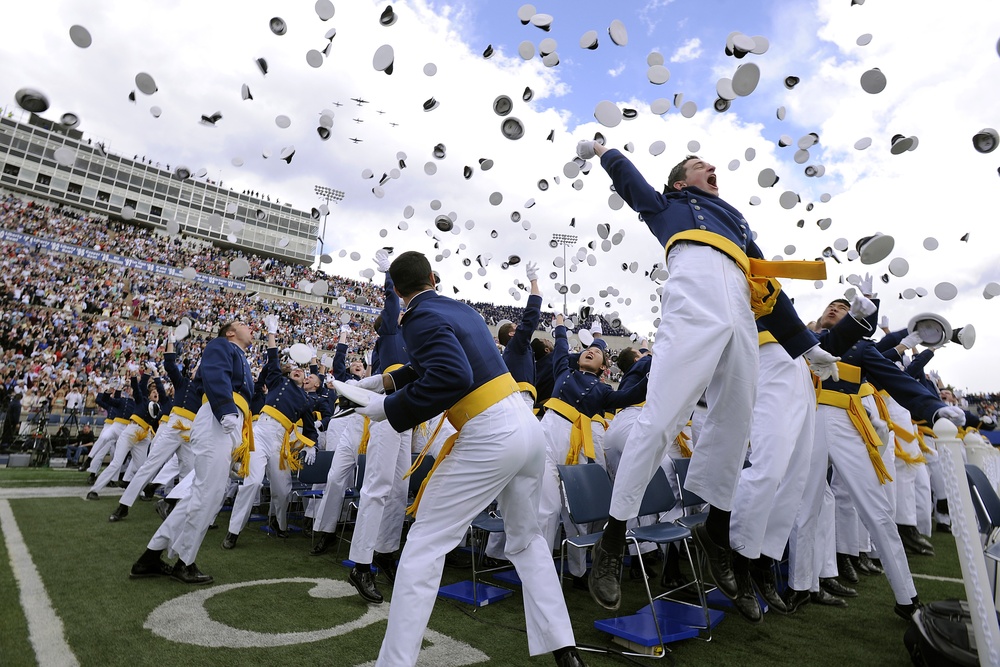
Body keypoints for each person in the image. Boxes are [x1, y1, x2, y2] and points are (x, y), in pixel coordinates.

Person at [579, 141, 841, 612]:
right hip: (693, 298)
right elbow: (630, 180)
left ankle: (716, 530)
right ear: (681, 183)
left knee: (735, 424)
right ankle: (612, 542)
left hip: (740, 310)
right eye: (700, 166)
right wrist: (606, 151)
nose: (712, 168)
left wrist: (807, 346)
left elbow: (768, 287)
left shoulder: (738, 222)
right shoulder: (667, 205)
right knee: (659, 421)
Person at [350, 251, 584, 667]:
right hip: (525, 428)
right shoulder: (463, 310)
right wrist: (385, 380)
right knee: (527, 541)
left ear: (400, 293)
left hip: (490, 431)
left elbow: (451, 375)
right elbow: (441, 365)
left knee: (424, 544)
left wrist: (388, 408)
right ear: (433, 277)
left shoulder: (416, 317)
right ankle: (565, 650)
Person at [129, 319, 254, 585]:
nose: (251, 328)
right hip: (219, 418)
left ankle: (150, 556)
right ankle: (184, 562)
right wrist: (225, 410)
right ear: (231, 332)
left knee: (202, 494)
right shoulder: (222, 345)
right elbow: (215, 373)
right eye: (243, 324)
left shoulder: (241, 357)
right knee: (207, 495)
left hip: (228, 422)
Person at [223, 318, 318, 548]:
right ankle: (233, 531)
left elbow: (309, 428)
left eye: (303, 371)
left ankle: (280, 524)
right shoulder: (276, 380)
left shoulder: (306, 400)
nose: (298, 370)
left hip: (279, 443)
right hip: (260, 433)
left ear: (306, 380)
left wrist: (310, 445)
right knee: (252, 483)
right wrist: (272, 334)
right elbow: (273, 358)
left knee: (283, 489)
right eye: (296, 367)